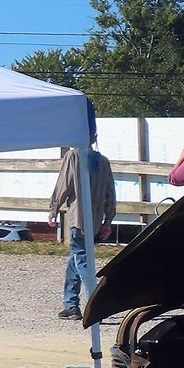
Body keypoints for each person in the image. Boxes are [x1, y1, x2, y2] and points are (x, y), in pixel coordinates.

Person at [49, 110, 116, 321]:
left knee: (83, 261)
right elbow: (110, 193)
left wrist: (53, 209)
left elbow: (64, 185)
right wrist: (108, 220)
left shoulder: (73, 156)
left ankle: (97, 304)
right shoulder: (102, 161)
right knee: (75, 260)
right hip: (95, 220)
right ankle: (71, 304)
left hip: (78, 218)